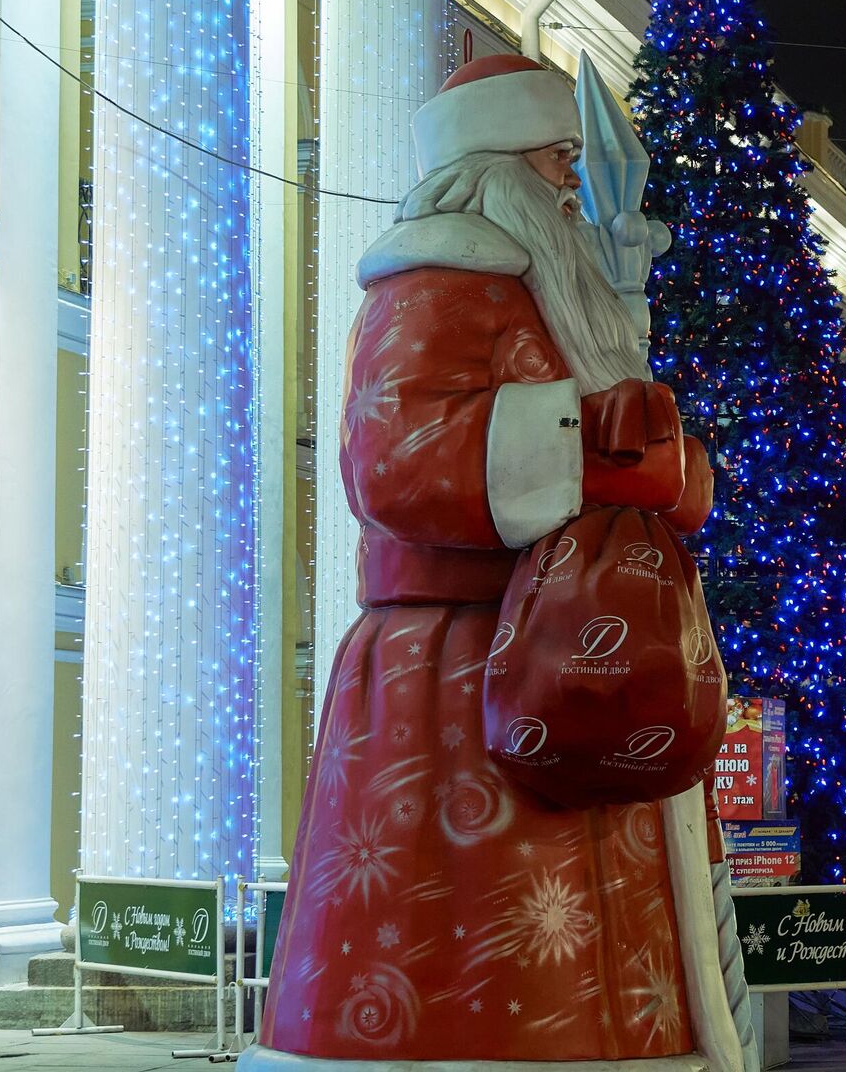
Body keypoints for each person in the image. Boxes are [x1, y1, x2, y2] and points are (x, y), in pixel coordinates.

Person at [257, 55, 738, 1067]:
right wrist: (593, 440)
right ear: (493, 167)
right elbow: (391, 457)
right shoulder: (433, 277)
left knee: (596, 962)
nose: (573, 180)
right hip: (459, 686)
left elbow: (644, 469)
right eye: (557, 157)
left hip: (587, 667)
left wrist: (649, 460)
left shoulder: (571, 299)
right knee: (481, 953)